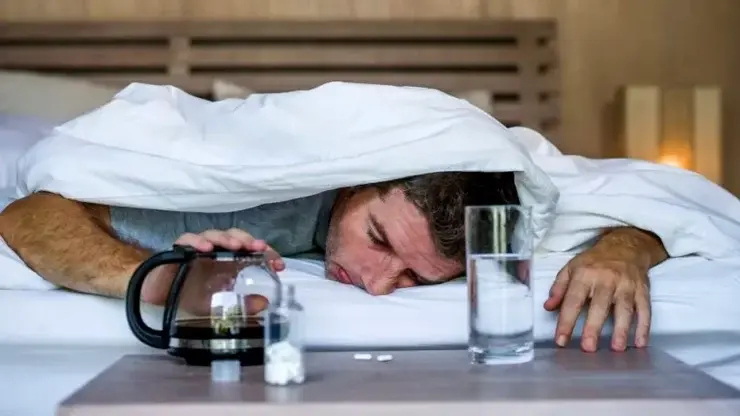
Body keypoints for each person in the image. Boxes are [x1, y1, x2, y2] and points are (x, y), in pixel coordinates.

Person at [0, 171, 666, 353]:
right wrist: (167, 283)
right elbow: (29, 215)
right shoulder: (269, 190)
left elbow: (658, 198)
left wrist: (624, 247)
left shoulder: (501, 198)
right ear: (356, 180)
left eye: (413, 278)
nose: (376, 285)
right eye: (378, 238)